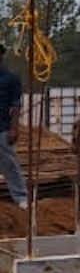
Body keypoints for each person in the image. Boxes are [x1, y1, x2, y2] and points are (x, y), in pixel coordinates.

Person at [0, 55, 25, 211]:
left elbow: (16, 105)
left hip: (2, 127)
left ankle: (21, 197)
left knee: (9, 163)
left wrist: (14, 128)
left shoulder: (11, 79)